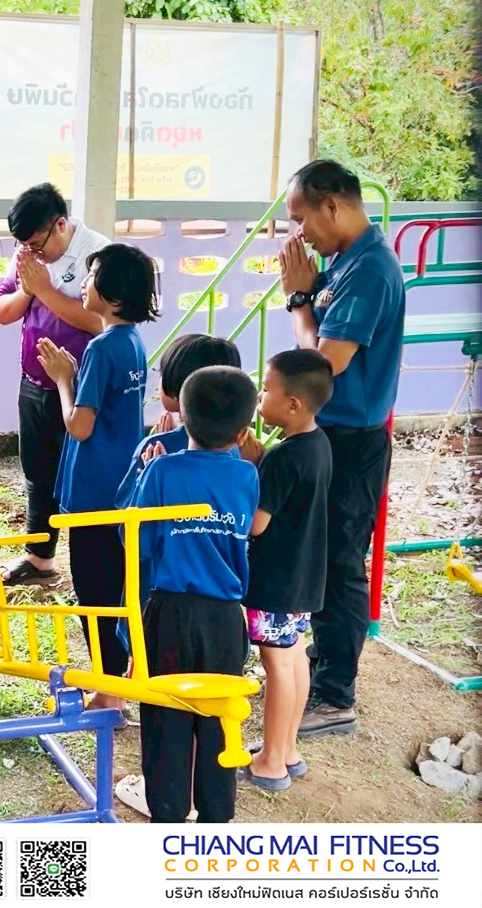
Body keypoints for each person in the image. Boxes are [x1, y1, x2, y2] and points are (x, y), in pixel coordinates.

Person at [280, 160, 405, 736]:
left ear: (332, 206)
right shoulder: (343, 261)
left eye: (302, 218)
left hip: (353, 441)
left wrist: (298, 300)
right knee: (320, 554)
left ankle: (335, 695)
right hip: (330, 433)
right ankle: (319, 667)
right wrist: (307, 295)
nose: (299, 233)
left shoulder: (371, 269)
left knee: (340, 562)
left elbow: (321, 365)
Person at [36, 243, 159, 711]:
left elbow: (80, 425)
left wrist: (62, 379)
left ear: (114, 295)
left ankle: (109, 693)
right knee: (117, 586)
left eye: (92, 276)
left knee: (95, 592)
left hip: (93, 492)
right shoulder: (132, 342)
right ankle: (117, 683)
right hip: (122, 484)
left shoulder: (102, 348)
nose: (83, 284)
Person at [133, 366, 259, 823]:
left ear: (182, 416)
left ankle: (167, 815)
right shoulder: (246, 476)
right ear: (243, 431)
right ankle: (216, 816)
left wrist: (147, 479)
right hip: (224, 616)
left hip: (170, 610)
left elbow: (135, 543)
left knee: (166, 713)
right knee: (219, 715)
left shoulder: (163, 469)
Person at [0, 184, 110, 586]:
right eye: (23, 245)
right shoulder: (27, 255)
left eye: (36, 244)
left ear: (60, 225)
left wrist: (44, 289)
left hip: (80, 386)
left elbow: (100, 322)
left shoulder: (98, 254)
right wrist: (28, 290)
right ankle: (39, 557)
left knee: (80, 474)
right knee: (37, 470)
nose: (30, 253)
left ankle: (90, 566)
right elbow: (2, 311)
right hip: (33, 380)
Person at [239, 349, 334, 791]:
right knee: (294, 657)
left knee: (276, 664)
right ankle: (287, 749)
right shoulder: (318, 444)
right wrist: (261, 461)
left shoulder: (282, 458)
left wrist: (249, 471)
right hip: (305, 575)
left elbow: (256, 524)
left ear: (292, 404)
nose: (260, 398)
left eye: (266, 391)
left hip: (275, 581)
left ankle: (271, 762)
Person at [114, 334, 242, 656]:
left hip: (158, 598)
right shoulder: (238, 459)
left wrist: (149, 473)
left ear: (179, 390)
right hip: (220, 603)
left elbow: (130, 532)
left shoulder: (156, 454)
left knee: (156, 672)